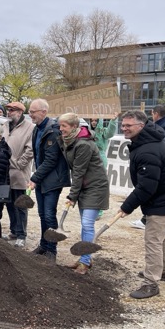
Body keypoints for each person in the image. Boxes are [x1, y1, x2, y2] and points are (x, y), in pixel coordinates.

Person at [118, 110, 165, 299]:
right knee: (160, 237)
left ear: (141, 126)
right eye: (123, 125)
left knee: (152, 239)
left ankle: (151, 283)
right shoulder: (146, 141)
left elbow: (147, 187)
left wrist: (126, 206)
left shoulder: (148, 149)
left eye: (128, 125)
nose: (124, 128)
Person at [57, 113, 110, 274]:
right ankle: (84, 258)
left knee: (87, 224)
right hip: (84, 187)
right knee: (84, 225)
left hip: (95, 187)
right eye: (60, 126)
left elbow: (79, 172)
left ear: (74, 127)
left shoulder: (84, 145)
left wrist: (72, 196)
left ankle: (85, 262)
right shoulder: (70, 141)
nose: (61, 129)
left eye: (64, 126)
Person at [28, 99, 71, 262]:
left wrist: (35, 177)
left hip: (52, 179)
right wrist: (37, 177)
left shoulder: (52, 130)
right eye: (30, 112)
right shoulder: (36, 129)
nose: (30, 115)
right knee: (41, 214)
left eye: (33, 112)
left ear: (43, 112)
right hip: (41, 178)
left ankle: (51, 250)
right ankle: (43, 245)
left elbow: (51, 160)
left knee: (49, 214)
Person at [130, 104, 165, 235]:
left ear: (156, 114)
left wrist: (126, 207)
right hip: (161, 167)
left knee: (164, 197)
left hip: (164, 168)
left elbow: (163, 151)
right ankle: (145, 219)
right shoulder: (164, 126)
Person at [4, 101, 35, 247]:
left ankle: (22, 235)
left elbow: (30, 150)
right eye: (8, 110)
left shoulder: (30, 128)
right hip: (5, 173)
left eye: (12, 110)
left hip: (20, 174)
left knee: (21, 205)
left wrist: (19, 164)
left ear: (20, 112)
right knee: (9, 204)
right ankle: (14, 231)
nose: (9, 112)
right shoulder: (5, 125)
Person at [87, 114, 120, 219]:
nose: (94, 122)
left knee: (99, 185)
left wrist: (113, 120)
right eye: (92, 120)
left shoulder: (103, 132)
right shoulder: (87, 132)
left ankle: (99, 209)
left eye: (96, 120)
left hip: (100, 159)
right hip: (88, 159)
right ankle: (90, 207)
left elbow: (110, 131)